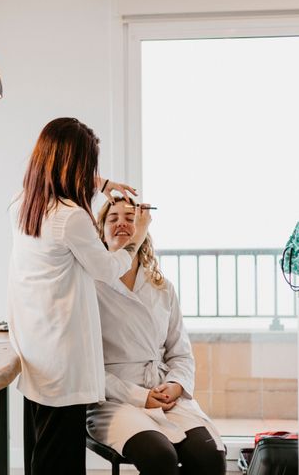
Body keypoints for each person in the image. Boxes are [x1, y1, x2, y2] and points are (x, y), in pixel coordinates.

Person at [7, 117, 151, 475]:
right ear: (78, 164)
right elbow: (105, 268)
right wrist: (135, 239)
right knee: (60, 460)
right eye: (91, 165)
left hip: (35, 349)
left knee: (42, 452)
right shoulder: (71, 218)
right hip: (64, 359)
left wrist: (103, 184)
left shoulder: (23, 204)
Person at [86, 197, 226, 475]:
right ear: (101, 232)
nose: (123, 223)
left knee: (209, 456)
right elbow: (85, 367)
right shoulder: (89, 286)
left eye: (131, 217)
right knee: (160, 457)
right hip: (114, 399)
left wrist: (175, 385)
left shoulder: (162, 287)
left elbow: (180, 352)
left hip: (166, 395)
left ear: (143, 229)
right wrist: (140, 397)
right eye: (113, 218)